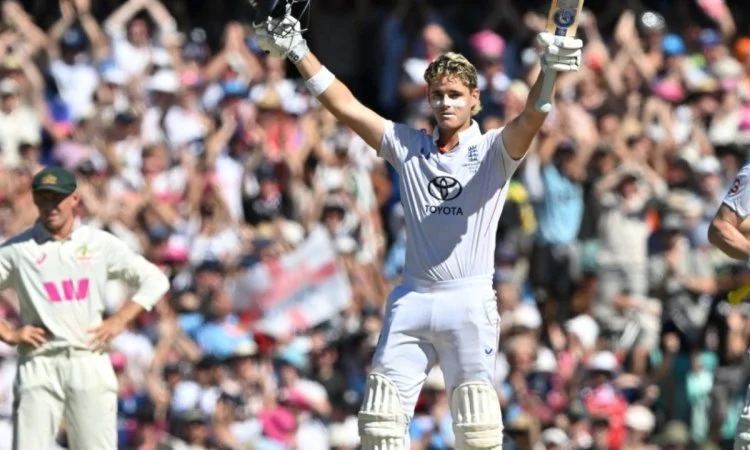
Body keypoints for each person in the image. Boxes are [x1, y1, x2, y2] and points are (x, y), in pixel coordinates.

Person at [253, 4, 583, 449]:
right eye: (438, 95)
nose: (446, 103)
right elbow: (345, 106)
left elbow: (532, 117)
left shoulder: (492, 151)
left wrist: (550, 72)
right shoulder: (408, 146)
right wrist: (297, 50)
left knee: (478, 432)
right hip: (412, 297)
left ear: (475, 100)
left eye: (455, 95)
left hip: (468, 301)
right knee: (380, 426)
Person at [0, 167, 170, 449]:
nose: (51, 206)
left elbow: (155, 279)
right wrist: (9, 333)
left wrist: (119, 319)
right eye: (44, 198)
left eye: (58, 198)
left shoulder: (98, 243)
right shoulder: (18, 250)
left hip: (88, 358)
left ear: (75, 199)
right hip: (41, 360)